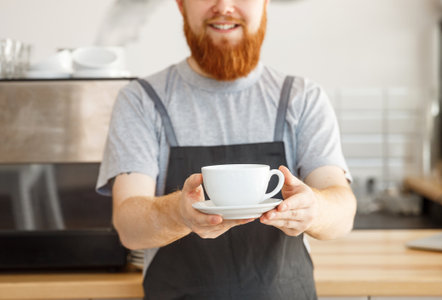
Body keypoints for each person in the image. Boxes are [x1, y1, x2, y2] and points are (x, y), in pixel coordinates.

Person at [96, 0, 357, 299]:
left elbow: (343, 212)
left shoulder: (302, 99)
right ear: (181, 5)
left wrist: (316, 209)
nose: (224, 6)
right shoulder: (141, 101)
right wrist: (178, 213)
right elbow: (128, 227)